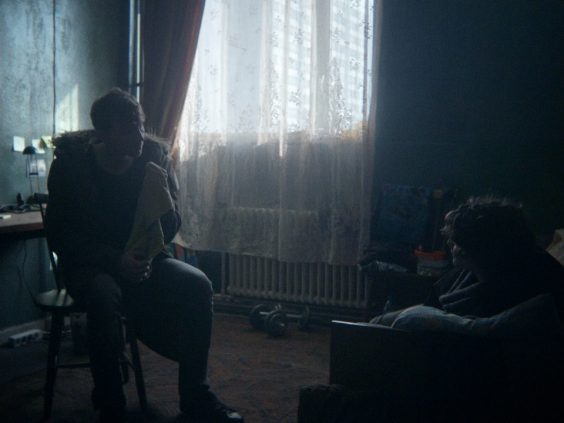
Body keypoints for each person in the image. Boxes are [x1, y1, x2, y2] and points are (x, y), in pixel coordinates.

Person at [45, 88, 244, 423]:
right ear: (103, 133)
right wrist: (115, 261)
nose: (140, 135)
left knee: (198, 284)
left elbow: (171, 225)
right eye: (128, 129)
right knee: (104, 295)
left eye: (140, 125)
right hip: (92, 265)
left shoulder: (153, 156)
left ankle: (195, 396)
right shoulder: (71, 167)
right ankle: (111, 405)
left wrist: (165, 206)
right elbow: (60, 235)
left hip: (145, 257)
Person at [372, 196, 564, 325]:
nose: (451, 246)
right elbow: (431, 306)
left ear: (477, 248)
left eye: (456, 242)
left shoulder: (526, 287)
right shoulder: (465, 274)